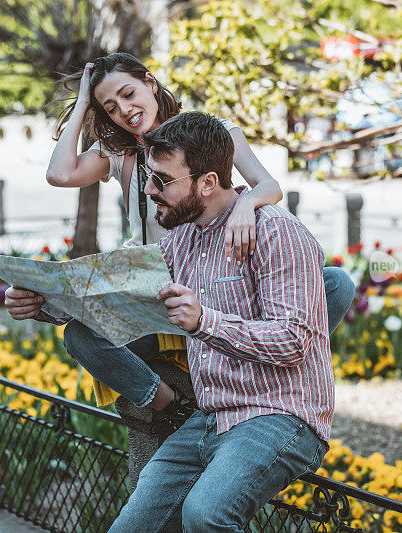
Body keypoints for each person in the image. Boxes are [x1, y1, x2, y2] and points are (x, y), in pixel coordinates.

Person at [5, 52, 354, 424]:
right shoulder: (120, 150)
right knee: (81, 337)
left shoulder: (208, 133)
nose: (124, 109)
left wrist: (244, 205)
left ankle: (265, 374)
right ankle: (170, 405)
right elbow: (60, 174)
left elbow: (268, 185)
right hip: (155, 290)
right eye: (110, 106)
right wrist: (83, 105)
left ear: (150, 83)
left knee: (335, 282)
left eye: (128, 93)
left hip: (215, 283)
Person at [110, 111, 333, 531]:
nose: (149, 189)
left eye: (162, 180)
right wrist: (42, 300)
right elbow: (117, 287)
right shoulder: (185, 237)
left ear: (207, 182)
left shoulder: (278, 233)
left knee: (205, 514)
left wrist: (204, 322)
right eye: (150, 176)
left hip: (279, 414)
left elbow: (293, 340)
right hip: (210, 415)